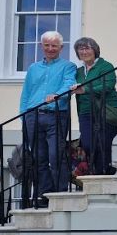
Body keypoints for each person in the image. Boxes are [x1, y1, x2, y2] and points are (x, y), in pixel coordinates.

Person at [19, 31, 76, 203]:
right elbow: (26, 92)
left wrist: (56, 94)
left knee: (55, 155)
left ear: (61, 47)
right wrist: (24, 115)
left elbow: (69, 85)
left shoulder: (68, 66)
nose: (50, 48)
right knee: (39, 158)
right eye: (47, 45)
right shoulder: (33, 68)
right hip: (32, 116)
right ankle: (44, 195)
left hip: (56, 115)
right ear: (41, 46)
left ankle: (60, 193)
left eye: (54, 45)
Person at [70, 37, 117, 175]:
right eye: (80, 49)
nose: (84, 51)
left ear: (95, 50)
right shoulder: (79, 72)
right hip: (86, 112)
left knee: (102, 143)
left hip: (107, 111)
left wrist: (85, 89)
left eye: (87, 48)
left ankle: (103, 172)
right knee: (87, 144)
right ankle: (98, 171)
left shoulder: (105, 66)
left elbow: (107, 86)